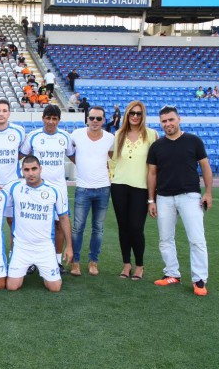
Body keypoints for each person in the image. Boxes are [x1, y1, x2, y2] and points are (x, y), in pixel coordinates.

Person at [147, 105, 213, 296]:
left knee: (197, 239)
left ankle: (199, 280)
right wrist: (151, 200)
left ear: (179, 119)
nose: (168, 124)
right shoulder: (157, 146)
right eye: (164, 121)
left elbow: (205, 166)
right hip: (163, 197)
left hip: (190, 196)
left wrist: (208, 192)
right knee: (165, 239)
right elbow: (152, 173)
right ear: (160, 123)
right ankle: (172, 274)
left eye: (171, 120)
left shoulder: (194, 141)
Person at [4, 156, 73, 292]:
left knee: (55, 288)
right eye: (26, 170)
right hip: (21, 247)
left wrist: (69, 246)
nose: (30, 173)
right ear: (22, 171)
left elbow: (64, 218)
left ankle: (50, 269)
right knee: (12, 286)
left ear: (40, 169)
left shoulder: (53, 190)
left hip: (45, 247)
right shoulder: (14, 187)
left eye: (34, 169)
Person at [20, 105, 74, 274]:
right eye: (48, 118)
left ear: (59, 120)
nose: (51, 122)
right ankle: (31, 261)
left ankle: (57, 262)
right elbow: (21, 156)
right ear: (43, 118)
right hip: (36, 188)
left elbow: (73, 156)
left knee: (59, 225)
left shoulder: (65, 137)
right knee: (32, 223)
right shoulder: (33, 136)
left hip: (59, 188)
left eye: (54, 119)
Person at [109, 101, 158, 281]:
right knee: (123, 227)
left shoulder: (152, 134)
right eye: (132, 113)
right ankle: (126, 264)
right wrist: (112, 177)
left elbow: (155, 165)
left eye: (138, 113)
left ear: (143, 115)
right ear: (127, 115)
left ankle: (139, 265)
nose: (135, 116)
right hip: (119, 186)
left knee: (136, 228)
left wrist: (153, 195)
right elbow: (113, 160)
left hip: (141, 187)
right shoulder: (118, 134)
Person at [69, 106, 114, 277]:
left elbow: (112, 157)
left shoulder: (110, 138)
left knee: (98, 228)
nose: (95, 121)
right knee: (78, 228)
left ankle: (93, 261)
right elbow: (69, 151)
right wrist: (80, 163)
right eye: (92, 118)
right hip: (82, 188)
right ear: (87, 119)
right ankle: (75, 262)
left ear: (104, 120)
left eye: (99, 118)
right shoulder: (76, 134)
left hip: (103, 188)